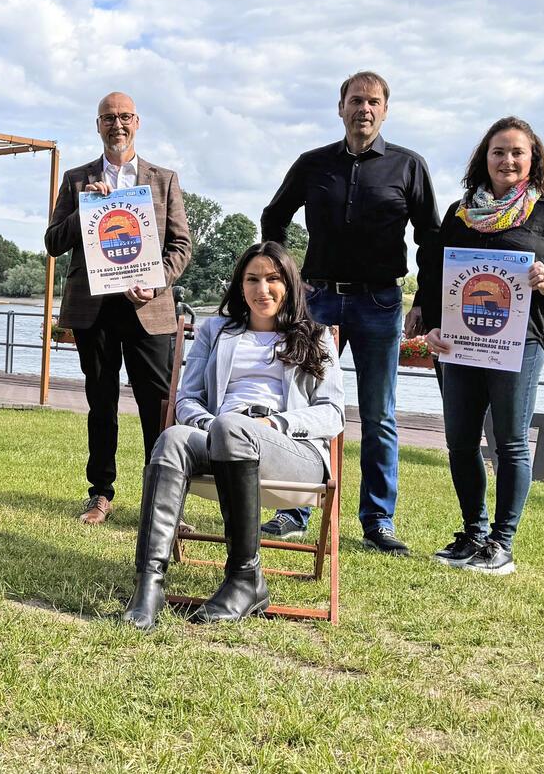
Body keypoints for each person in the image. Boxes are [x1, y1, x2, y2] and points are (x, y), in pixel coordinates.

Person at [260, 70, 439, 555]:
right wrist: (285, 277)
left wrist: (425, 299)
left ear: (385, 110)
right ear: (340, 107)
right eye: (356, 100)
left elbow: (431, 237)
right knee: (300, 405)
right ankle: (293, 509)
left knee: (379, 413)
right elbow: (274, 216)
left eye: (374, 102)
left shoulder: (409, 166)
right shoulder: (313, 164)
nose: (364, 109)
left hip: (381, 302)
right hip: (317, 301)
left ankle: (378, 522)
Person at [123, 242, 343, 630]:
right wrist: (211, 425)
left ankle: (245, 579)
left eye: (273, 279)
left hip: (292, 453)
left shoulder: (317, 335)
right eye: (252, 279)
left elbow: (332, 413)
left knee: (232, 426)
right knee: (173, 437)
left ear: (289, 285)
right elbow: (188, 398)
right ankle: (149, 587)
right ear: (240, 286)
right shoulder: (216, 332)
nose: (263, 289)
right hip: (221, 439)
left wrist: (276, 425)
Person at [417, 117, 544, 575]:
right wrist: (432, 327)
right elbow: (437, 279)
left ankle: (502, 542)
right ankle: (473, 533)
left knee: (511, 441)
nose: (507, 160)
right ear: (485, 157)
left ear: (533, 159)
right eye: (499, 151)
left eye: (517, 152)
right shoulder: (460, 213)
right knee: (459, 441)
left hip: (521, 343)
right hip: (459, 345)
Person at [44, 91, 192, 524]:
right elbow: (54, 243)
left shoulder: (163, 179)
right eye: (108, 118)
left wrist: (156, 280)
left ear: (137, 122)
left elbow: (181, 246)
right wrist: (83, 210)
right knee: (101, 403)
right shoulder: (76, 179)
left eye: (124, 116)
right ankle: (100, 494)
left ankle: (162, 498)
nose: (117, 125)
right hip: (96, 311)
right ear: (97, 125)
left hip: (150, 309)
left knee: (157, 407)